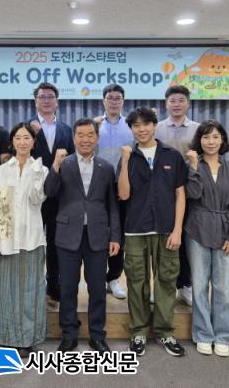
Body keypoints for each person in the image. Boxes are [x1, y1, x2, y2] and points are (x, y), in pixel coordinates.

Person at [44, 118, 121, 354]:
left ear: (97, 138)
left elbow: (112, 206)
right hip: (68, 233)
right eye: (81, 135)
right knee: (67, 288)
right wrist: (55, 165)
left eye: (90, 135)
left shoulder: (106, 167)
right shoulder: (64, 163)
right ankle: (69, 335)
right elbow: (49, 191)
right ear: (74, 138)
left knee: (97, 288)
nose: (85, 139)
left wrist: (115, 237)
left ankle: (97, 335)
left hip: (98, 234)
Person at [118, 106, 187, 357]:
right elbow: (123, 194)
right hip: (136, 230)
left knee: (166, 281)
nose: (142, 129)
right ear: (131, 129)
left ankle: (165, 332)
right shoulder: (128, 156)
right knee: (137, 282)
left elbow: (180, 195)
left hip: (167, 230)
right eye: (136, 125)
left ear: (155, 125)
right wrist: (125, 162)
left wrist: (177, 230)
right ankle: (138, 331)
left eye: (146, 124)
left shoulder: (172, 156)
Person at [0, 122, 49, 358]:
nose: (22, 142)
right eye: (18, 138)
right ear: (12, 142)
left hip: (31, 239)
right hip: (5, 239)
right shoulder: (1, 171)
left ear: (33, 142)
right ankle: (5, 337)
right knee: (4, 290)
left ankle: (28, 338)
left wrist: (35, 173)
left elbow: (36, 198)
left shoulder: (41, 169)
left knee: (30, 291)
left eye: (26, 138)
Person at [184, 120, 229, 357]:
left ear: (223, 140)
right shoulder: (192, 164)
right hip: (197, 229)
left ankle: (222, 335)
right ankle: (203, 334)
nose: (211, 142)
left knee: (222, 287)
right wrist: (193, 167)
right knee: (199, 286)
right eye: (206, 137)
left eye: (216, 137)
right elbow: (193, 194)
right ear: (199, 140)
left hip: (225, 231)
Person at [29, 82, 75, 303]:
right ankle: (33, 285)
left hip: (59, 195)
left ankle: (53, 285)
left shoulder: (67, 129)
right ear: (35, 101)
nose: (46, 100)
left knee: (56, 242)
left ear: (56, 101)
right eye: (42, 97)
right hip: (33, 195)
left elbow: (73, 160)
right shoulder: (26, 128)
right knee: (33, 241)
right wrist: (33, 134)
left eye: (50, 97)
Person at [155, 85, 199, 307]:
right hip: (162, 193)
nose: (177, 104)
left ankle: (186, 285)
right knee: (163, 240)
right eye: (172, 101)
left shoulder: (197, 129)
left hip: (190, 192)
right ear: (166, 104)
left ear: (188, 103)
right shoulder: (157, 128)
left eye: (181, 100)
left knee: (185, 241)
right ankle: (163, 286)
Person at [95, 83, 132, 300]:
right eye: (110, 98)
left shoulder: (130, 126)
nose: (114, 102)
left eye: (118, 98)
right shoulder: (95, 124)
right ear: (103, 101)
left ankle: (114, 277)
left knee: (119, 233)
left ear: (123, 101)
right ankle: (98, 277)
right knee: (99, 233)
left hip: (123, 186)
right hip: (97, 186)